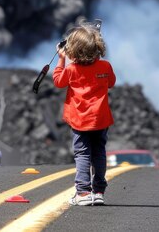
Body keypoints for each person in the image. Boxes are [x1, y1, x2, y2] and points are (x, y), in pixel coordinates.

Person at [53, 23, 116, 206]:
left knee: (82, 154)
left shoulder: (72, 70)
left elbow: (58, 81)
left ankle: (82, 193)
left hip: (80, 121)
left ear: (74, 50)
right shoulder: (105, 66)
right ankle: (98, 192)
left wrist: (61, 59)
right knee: (99, 153)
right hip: (101, 119)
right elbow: (111, 82)